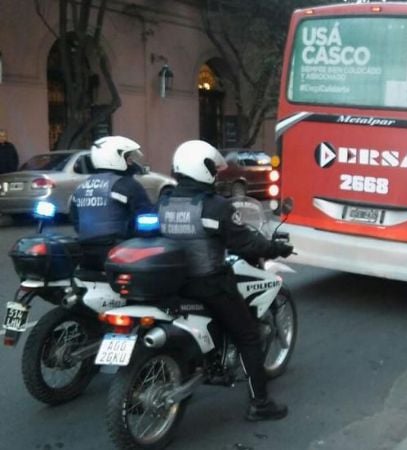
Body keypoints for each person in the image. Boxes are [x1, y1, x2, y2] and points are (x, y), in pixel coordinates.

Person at [159, 140, 292, 421]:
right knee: (248, 335)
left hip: (172, 282)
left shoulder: (165, 200)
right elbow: (245, 242)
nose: (217, 176)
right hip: (209, 283)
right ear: (203, 169)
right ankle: (260, 404)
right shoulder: (215, 206)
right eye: (214, 170)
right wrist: (276, 248)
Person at [70, 136, 153, 271]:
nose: (131, 162)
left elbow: (75, 220)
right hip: (120, 254)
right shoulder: (126, 185)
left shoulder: (82, 186)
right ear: (115, 158)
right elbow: (145, 214)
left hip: (85, 254)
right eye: (128, 158)